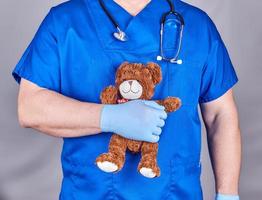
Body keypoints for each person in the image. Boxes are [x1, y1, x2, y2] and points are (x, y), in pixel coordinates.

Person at [12, 0, 241, 199]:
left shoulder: (198, 27)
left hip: (176, 193)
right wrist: (109, 117)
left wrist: (228, 194)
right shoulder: (64, 22)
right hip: (90, 192)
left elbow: (221, 115)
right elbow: (30, 107)